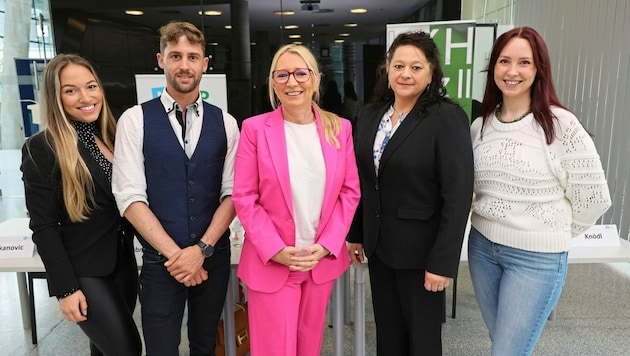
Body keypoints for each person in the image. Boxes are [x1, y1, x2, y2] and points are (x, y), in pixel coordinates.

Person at [468, 26, 612, 355]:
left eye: (524, 62)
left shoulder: (561, 124)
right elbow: (477, 190)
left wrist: (551, 234)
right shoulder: (480, 125)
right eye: (504, 61)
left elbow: (594, 200)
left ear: (539, 69)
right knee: (505, 346)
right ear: (493, 68)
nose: (512, 71)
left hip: (536, 260)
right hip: (482, 250)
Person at [111, 21, 240, 355]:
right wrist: (177, 256)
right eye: (176, 56)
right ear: (161, 60)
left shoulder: (226, 123)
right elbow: (129, 197)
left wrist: (201, 251)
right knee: (161, 347)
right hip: (159, 261)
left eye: (193, 57)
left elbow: (232, 192)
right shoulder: (134, 120)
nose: (185, 65)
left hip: (212, 257)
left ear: (205, 64)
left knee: (205, 344)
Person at [347, 31, 474, 356]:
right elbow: (365, 181)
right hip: (380, 248)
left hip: (422, 256)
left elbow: (458, 195)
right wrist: (356, 234)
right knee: (388, 338)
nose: (406, 73)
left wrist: (443, 263)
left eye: (416, 67)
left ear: (431, 72)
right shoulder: (372, 114)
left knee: (422, 342)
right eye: (399, 65)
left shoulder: (446, 117)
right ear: (387, 69)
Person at [232, 44, 360, 356]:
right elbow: (244, 196)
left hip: (318, 260)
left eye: (301, 73)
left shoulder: (339, 128)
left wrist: (328, 244)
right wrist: (276, 250)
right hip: (273, 260)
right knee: (275, 350)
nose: (292, 82)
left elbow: (350, 191)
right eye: (283, 74)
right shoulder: (254, 129)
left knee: (309, 347)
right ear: (272, 82)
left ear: (316, 79)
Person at [21, 54, 142, 356]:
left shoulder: (113, 137)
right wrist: (65, 289)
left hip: (122, 264)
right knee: (127, 349)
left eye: (91, 86)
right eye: (71, 90)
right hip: (85, 272)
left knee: (104, 350)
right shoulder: (42, 147)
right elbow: (43, 226)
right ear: (56, 96)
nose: (86, 97)